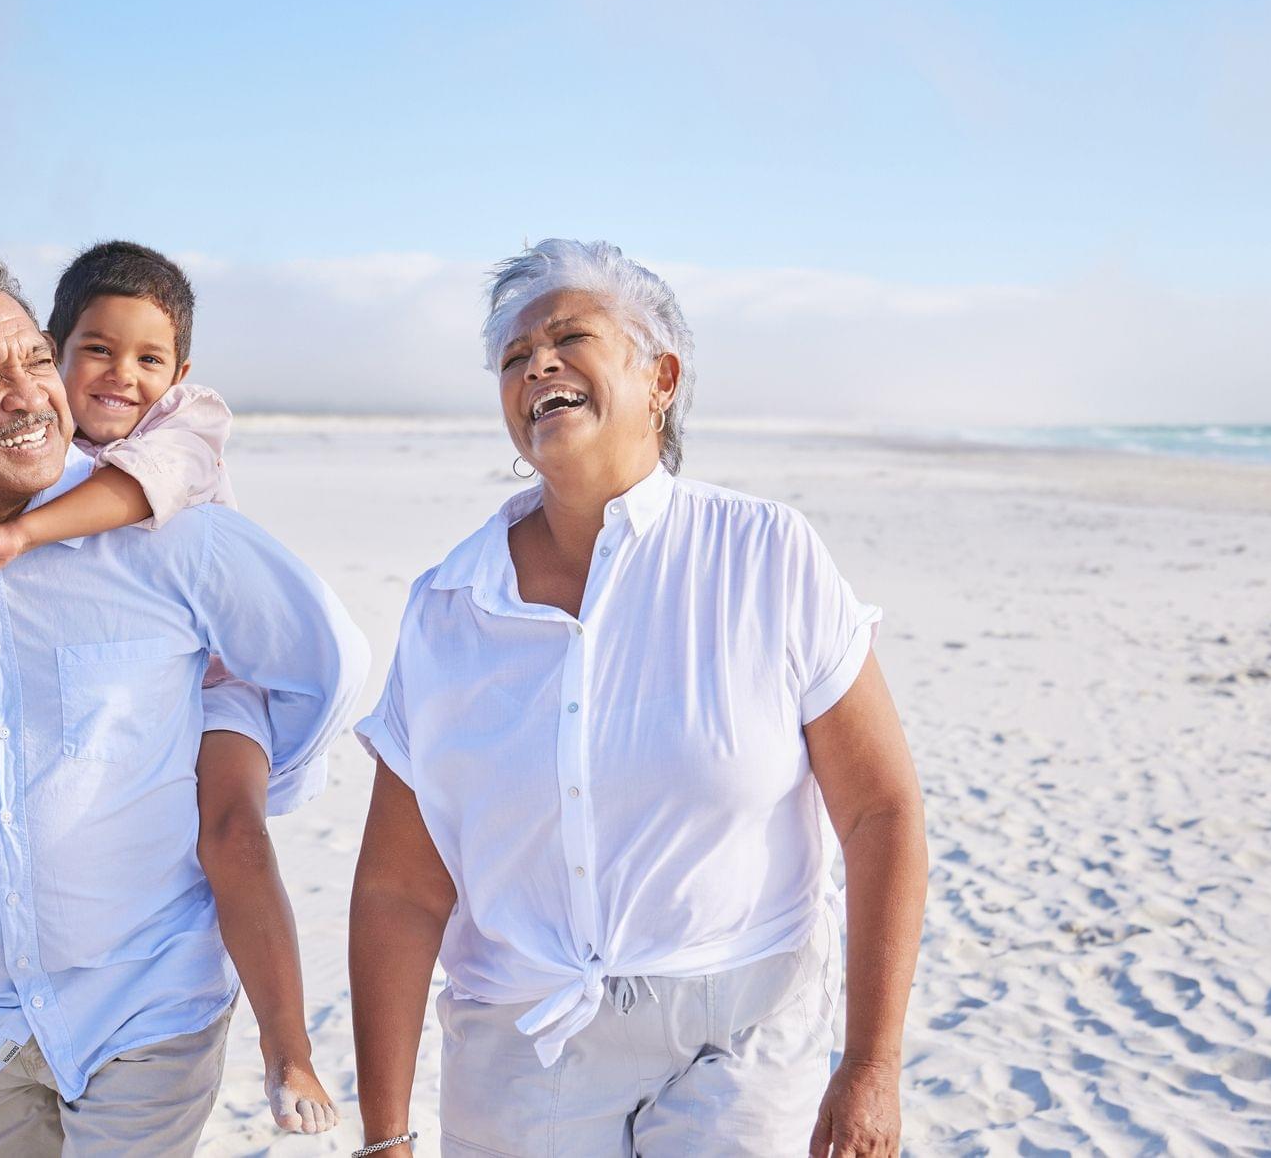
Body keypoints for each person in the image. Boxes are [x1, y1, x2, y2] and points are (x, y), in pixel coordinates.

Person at [0, 245, 365, 1154]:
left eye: (35, 359)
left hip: (145, 994)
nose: (31, 393)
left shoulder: (169, 526)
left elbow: (327, 666)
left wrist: (228, 758)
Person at [348, 239, 927, 1157]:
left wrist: (869, 1065)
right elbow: (398, 888)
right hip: (519, 1041)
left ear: (660, 377)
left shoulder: (766, 554)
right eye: (511, 357)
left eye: (569, 335)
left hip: (738, 1027)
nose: (536, 361)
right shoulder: (447, 607)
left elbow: (880, 811)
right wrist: (384, 1136)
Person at [0, 239, 236, 576]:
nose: (123, 374)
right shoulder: (50, 420)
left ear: (178, 374)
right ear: (55, 352)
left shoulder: (184, 423)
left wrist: (19, 535)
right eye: (99, 350)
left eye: (149, 360)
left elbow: (137, 484)